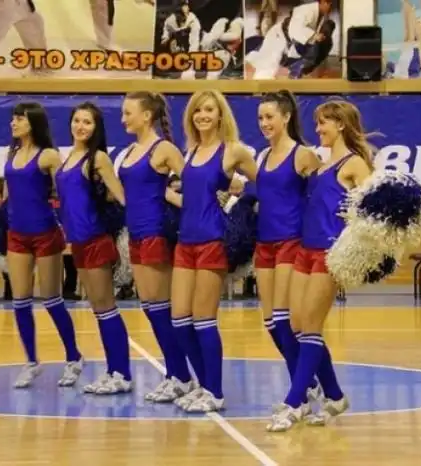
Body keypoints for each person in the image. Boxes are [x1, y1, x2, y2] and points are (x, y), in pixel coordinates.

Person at [267, 99, 370, 432]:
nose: (317, 129)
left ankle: (294, 403)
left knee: (311, 328)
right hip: (305, 250)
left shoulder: (355, 164)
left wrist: (355, 241)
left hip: (330, 254)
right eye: (316, 123)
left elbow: (374, 212)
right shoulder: (322, 164)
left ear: (340, 124)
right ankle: (335, 396)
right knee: (296, 326)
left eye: (323, 122)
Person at [168, 90, 258, 412]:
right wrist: (166, 195)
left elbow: (265, 182)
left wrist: (241, 202)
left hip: (212, 240)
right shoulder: (190, 151)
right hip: (185, 241)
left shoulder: (232, 150)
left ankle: (215, 393)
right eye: (197, 110)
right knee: (180, 320)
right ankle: (204, 385)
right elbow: (191, 200)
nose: (202, 115)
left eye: (209, 110)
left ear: (220, 115)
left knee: (204, 320)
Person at [118, 91, 194, 402]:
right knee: (150, 309)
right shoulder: (131, 149)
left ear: (147, 115)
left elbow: (195, 185)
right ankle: (175, 374)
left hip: (155, 233)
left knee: (161, 310)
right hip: (135, 234)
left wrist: (172, 197)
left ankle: (181, 377)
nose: (123, 119)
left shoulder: (163, 149)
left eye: (128, 113)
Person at [253, 91, 324, 419]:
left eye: (270, 117)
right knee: (271, 323)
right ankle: (310, 383)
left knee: (286, 321)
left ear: (286, 117)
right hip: (263, 244)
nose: (264, 123)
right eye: (260, 118)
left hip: (290, 243)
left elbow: (322, 196)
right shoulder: (262, 156)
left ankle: (301, 391)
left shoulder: (303, 155)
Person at [4, 101, 83, 389]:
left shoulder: (49, 155)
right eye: (13, 119)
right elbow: (7, 195)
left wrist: (75, 225)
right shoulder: (12, 154)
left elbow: (67, 192)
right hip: (16, 234)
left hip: (45, 233)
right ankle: (31, 361)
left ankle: (73, 357)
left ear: (34, 123)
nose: (14, 123)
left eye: (20, 119)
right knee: (20, 300)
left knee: (52, 299)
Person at [56, 102, 132, 394]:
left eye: (87, 122)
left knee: (106, 307)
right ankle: (113, 371)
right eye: (77, 120)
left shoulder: (98, 158)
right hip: (77, 242)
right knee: (98, 309)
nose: (80, 126)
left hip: (97, 239)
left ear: (96, 127)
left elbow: (121, 196)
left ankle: (121, 373)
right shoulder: (68, 158)